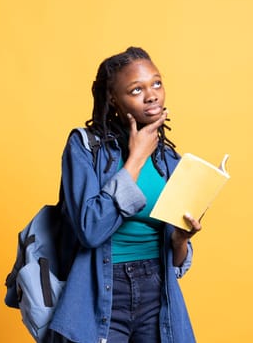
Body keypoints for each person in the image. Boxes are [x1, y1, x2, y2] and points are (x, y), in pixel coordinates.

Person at [47, 47, 202, 343]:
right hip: (100, 289)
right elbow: (90, 231)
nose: (152, 95)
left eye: (156, 83)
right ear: (113, 100)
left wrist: (181, 240)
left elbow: (176, 262)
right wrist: (135, 160)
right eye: (136, 89)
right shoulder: (85, 148)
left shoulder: (170, 160)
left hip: (158, 292)